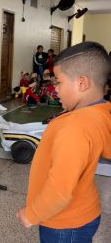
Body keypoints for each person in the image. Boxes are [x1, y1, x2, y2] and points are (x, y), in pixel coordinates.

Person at [17, 42, 111, 242]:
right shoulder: (101, 113)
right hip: (84, 212)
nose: (54, 89)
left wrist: (31, 214)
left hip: (64, 224)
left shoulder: (75, 127)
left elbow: (59, 192)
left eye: (58, 82)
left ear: (82, 83)